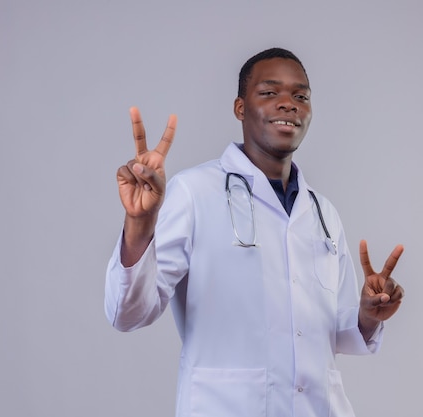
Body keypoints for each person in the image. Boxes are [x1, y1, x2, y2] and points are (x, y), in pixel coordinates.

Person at [105, 47, 405, 417]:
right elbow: (128, 313)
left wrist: (368, 314)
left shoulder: (322, 212)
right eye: (269, 92)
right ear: (240, 108)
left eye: (301, 96)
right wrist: (139, 223)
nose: (288, 104)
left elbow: (333, 335)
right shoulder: (194, 192)